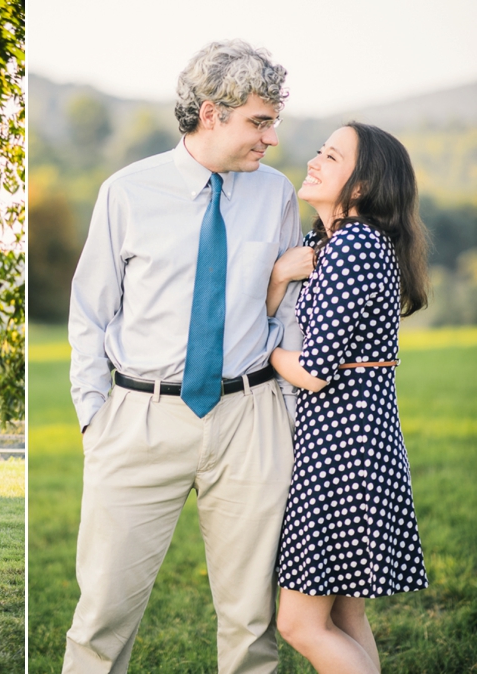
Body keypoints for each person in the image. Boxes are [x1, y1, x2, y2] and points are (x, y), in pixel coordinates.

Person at [66, 40, 303, 673]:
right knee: (101, 620)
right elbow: (90, 311)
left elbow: (287, 308)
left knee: (253, 626)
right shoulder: (126, 192)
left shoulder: (277, 193)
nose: (271, 138)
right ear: (210, 113)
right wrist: (95, 416)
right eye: (259, 121)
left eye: (272, 121)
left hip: (251, 420)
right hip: (137, 418)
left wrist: (283, 411)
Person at [266, 122, 429, 673]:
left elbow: (312, 371)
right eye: (320, 150)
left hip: (342, 451)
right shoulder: (332, 240)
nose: (314, 160)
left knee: (300, 623)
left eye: (331, 156)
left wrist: (261, 353)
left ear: (359, 187)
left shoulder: (355, 245)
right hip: (359, 439)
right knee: (344, 617)